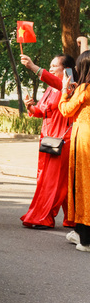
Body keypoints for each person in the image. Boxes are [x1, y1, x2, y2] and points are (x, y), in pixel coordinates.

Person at [19, 53, 75, 229]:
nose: (50, 69)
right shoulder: (51, 89)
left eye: (54, 66)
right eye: (49, 66)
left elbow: (57, 82)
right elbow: (41, 112)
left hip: (61, 140)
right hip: (48, 140)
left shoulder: (69, 87)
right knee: (53, 180)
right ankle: (72, 218)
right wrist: (29, 106)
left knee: (53, 181)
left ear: (66, 69)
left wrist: (34, 67)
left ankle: (43, 217)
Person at [58, 50, 90, 251]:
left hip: (84, 139)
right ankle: (79, 232)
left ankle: (85, 239)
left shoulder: (85, 88)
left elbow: (65, 110)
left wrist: (64, 90)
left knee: (82, 185)